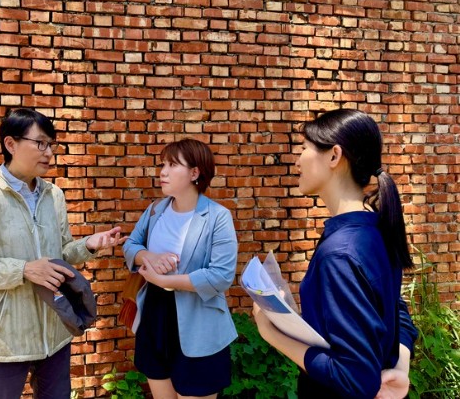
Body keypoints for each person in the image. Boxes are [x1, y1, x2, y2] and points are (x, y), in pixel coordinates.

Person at [0, 108, 126, 399]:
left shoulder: (53, 195)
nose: (49, 152)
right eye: (40, 143)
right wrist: (23, 270)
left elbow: (60, 255)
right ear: (10, 144)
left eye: (51, 144)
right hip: (2, 343)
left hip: (54, 335)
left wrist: (89, 245)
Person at [253, 109, 418, 399]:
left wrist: (272, 334)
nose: (297, 161)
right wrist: (400, 367)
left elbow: (354, 378)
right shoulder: (374, 228)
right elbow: (396, 310)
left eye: (304, 148)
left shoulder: (340, 253)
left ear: (334, 156)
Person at [123, 139, 238, 399]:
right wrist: (149, 256)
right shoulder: (156, 210)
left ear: (194, 173)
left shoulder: (218, 217)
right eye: (163, 164)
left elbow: (221, 276)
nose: (162, 172)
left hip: (199, 323)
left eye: (172, 165)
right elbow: (131, 245)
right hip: (154, 317)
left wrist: (166, 280)